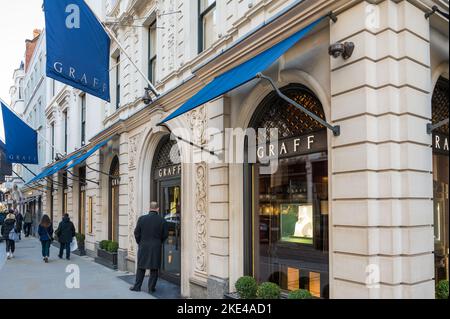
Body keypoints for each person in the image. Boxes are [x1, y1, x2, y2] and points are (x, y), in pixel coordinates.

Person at [130, 202, 168, 294]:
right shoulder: (162, 220)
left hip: (143, 246)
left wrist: (140, 242)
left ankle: (137, 286)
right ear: (157, 209)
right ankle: (151, 288)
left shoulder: (142, 219)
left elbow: (136, 233)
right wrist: (159, 242)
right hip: (156, 247)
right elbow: (165, 235)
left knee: (141, 267)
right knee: (154, 268)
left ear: (149, 208)